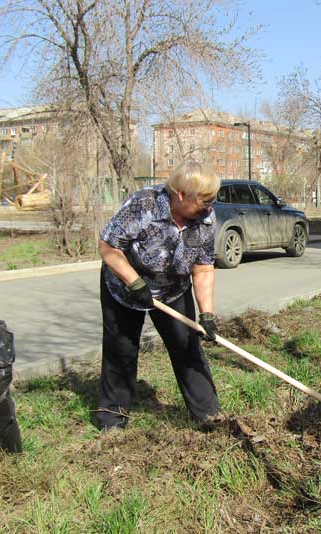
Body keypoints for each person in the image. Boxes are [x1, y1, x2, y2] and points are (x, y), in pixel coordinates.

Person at [96, 160, 222, 431]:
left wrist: (207, 314)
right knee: (122, 350)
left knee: (187, 347)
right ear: (181, 195)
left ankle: (209, 416)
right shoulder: (145, 205)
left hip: (172, 289)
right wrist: (135, 283)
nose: (209, 206)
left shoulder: (206, 219)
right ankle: (112, 419)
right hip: (125, 287)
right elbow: (108, 246)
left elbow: (203, 268)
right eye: (204, 200)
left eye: (212, 200)